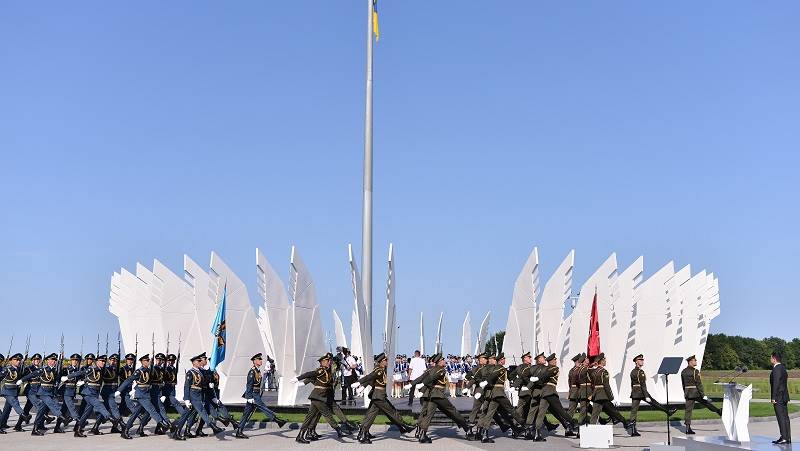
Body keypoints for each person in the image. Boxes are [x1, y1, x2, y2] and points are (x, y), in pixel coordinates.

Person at [351, 352, 414, 443]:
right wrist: (359, 382)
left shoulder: (381, 370)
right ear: (380, 361)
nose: (387, 361)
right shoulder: (379, 370)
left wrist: (362, 386)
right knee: (391, 411)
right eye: (385, 360)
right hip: (379, 396)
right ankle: (404, 426)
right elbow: (370, 376)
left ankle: (362, 433)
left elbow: (372, 380)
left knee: (370, 414)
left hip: (377, 395)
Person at [292, 352, 351, 444]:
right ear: (322, 362)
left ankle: (301, 435)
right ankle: (339, 430)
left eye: (329, 361)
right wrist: (298, 379)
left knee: (310, 417)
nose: (329, 362)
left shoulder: (327, 371)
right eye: (327, 361)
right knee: (327, 414)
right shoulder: (321, 370)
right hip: (318, 397)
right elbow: (310, 374)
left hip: (320, 397)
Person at [65, 354, 126, 437]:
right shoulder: (92, 368)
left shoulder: (101, 370)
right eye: (101, 361)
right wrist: (68, 376)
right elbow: (81, 372)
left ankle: (78, 430)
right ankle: (111, 418)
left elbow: (93, 378)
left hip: (95, 393)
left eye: (104, 361)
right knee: (99, 405)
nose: (103, 363)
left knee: (87, 413)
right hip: (88, 393)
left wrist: (85, 380)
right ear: (97, 361)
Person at [416, 353, 471, 443]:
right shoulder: (439, 370)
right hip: (438, 395)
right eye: (442, 360)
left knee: (428, 414)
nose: (444, 361)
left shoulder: (432, 369)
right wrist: (422, 389)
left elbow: (426, 380)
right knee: (452, 410)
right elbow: (430, 379)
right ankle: (467, 427)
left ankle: (422, 434)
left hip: (432, 395)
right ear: (439, 362)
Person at [117, 354, 173, 439]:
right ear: (142, 362)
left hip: (147, 393)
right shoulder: (139, 371)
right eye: (147, 361)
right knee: (151, 409)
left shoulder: (150, 371)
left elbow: (157, 381)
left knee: (135, 414)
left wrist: (161, 393)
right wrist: (119, 390)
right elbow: (129, 380)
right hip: (141, 395)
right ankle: (162, 423)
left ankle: (125, 430)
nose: (148, 362)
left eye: (148, 360)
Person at [170, 352, 223, 440]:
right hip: (193, 397)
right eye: (198, 361)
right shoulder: (190, 373)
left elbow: (202, 385)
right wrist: (186, 399)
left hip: (199, 396)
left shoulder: (200, 372)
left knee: (185, 416)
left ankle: (177, 432)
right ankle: (213, 427)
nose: (199, 362)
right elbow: (186, 386)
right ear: (194, 362)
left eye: (200, 361)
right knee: (202, 411)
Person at [235, 353, 287, 439]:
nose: (261, 361)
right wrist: (249, 397)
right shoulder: (252, 372)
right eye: (259, 359)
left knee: (246, 414)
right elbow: (249, 385)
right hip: (253, 395)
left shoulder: (258, 371)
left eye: (261, 359)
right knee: (262, 407)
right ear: (254, 361)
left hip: (256, 393)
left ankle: (239, 431)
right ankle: (277, 420)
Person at [629, 354, 675, 436]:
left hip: (635, 392)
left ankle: (633, 430)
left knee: (634, 411)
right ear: (636, 362)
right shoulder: (640, 372)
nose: (642, 361)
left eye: (642, 360)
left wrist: (633, 392)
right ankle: (668, 411)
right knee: (654, 403)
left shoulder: (632, 371)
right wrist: (646, 396)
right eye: (640, 360)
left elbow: (632, 384)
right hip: (641, 392)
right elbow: (643, 384)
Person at [535, 354, 577, 439]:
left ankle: (537, 434)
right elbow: (544, 376)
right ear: (551, 361)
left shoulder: (551, 369)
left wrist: (537, 378)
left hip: (544, 393)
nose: (556, 361)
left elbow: (546, 375)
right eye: (554, 360)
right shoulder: (553, 368)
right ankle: (574, 424)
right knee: (561, 411)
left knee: (541, 413)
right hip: (550, 392)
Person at [588, 354, 630, 433]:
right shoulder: (604, 372)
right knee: (613, 410)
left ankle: (591, 431)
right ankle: (625, 423)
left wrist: (591, 365)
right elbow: (606, 386)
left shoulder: (594, 372)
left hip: (596, 395)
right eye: (604, 360)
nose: (605, 361)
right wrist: (611, 397)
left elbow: (589, 371)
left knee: (595, 414)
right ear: (602, 361)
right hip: (603, 395)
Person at [681, 355, 721, 434]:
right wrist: (703, 395)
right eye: (694, 360)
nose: (696, 361)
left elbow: (683, 384)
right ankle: (718, 411)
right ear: (690, 362)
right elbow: (699, 384)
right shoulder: (695, 371)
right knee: (706, 403)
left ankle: (687, 428)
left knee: (688, 410)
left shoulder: (683, 371)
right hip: (695, 392)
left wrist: (685, 393)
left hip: (688, 393)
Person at [24, 353, 62, 436]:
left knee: (40, 410)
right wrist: (22, 380)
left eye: (55, 360)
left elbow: (54, 381)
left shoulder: (54, 370)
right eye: (51, 360)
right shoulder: (41, 369)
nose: (53, 361)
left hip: (46, 392)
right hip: (40, 392)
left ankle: (36, 428)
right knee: (45, 407)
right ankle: (58, 416)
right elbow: (30, 375)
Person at [0, 353, 33, 434]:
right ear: (11, 361)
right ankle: (23, 415)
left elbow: (24, 376)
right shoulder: (7, 369)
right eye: (16, 360)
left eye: (19, 360)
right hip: (7, 391)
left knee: (7, 410)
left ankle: (3, 423)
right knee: (15, 404)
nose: (18, 361)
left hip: (14, 391)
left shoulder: (19, 369)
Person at [54, 353, 82, 433]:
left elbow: (79, 378)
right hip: (66, 391)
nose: (75, 362)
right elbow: (58, 378)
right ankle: (78, 420)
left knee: (63, 410)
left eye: (76, 360)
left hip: (72, 392)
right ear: (71, 361)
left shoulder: (77, 370)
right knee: (71, 407)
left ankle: (57, 427)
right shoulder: (66, 370)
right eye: (73, 360)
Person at [770, 351, 791, 444]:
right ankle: (787, 437)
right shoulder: (783, 368)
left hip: (778, 397)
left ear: (774, 359)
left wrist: (773, 397)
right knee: (785, 417)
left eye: (771, 358)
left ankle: (784, 438)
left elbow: (776, 383)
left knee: (781, 417)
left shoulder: (776, 369)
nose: (770, 359)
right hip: (784, 396)